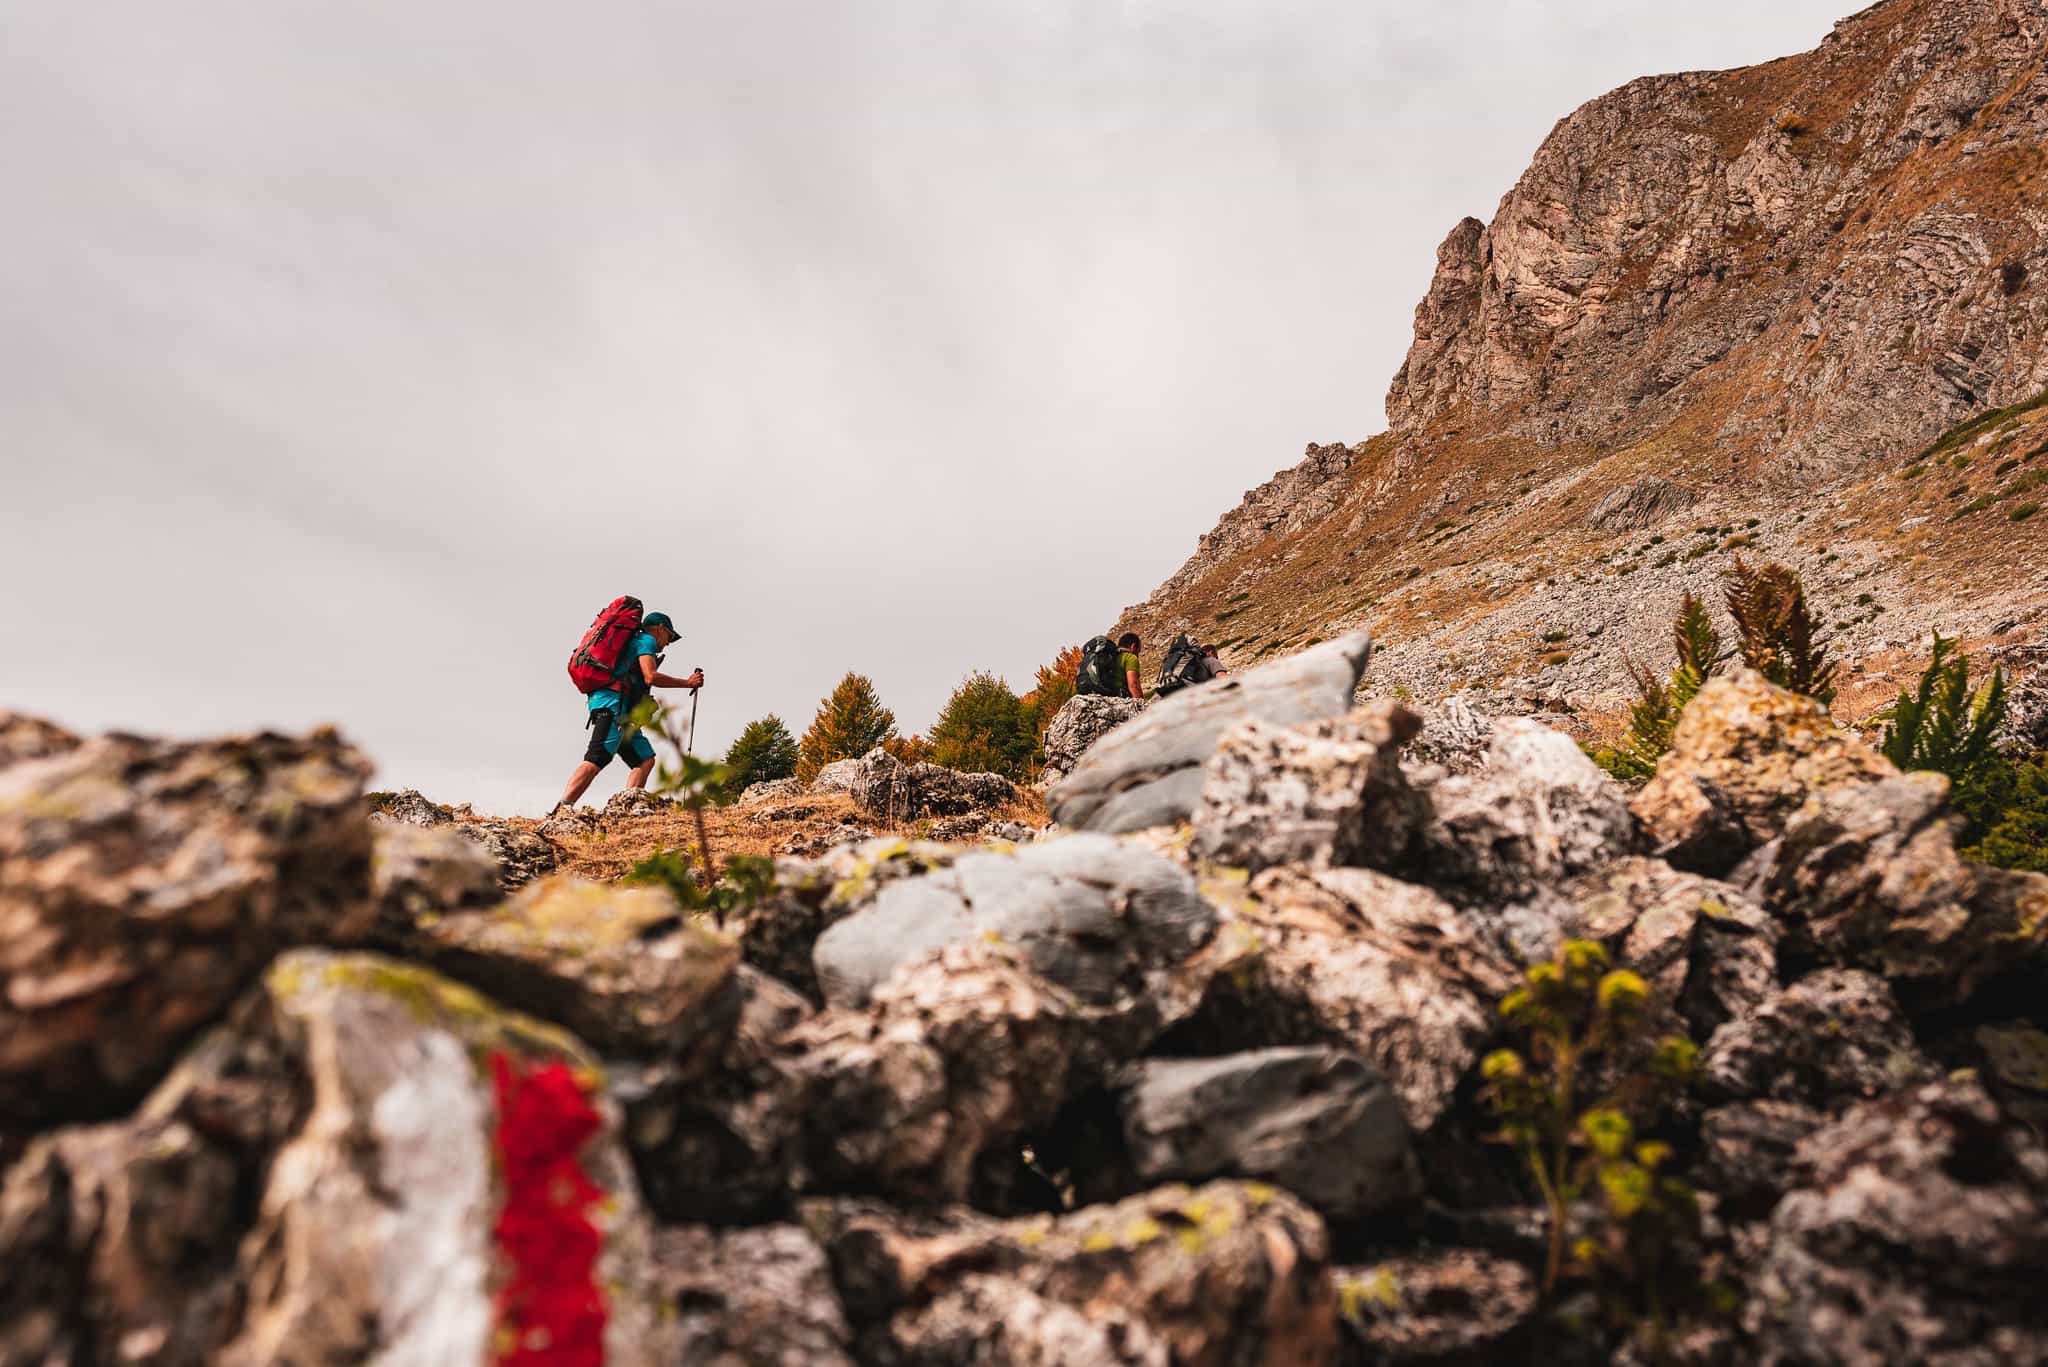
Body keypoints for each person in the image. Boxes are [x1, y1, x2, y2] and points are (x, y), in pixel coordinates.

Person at [556, 610, 703, 808]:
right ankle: (563, 808)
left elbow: (636, 679)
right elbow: (650, 676)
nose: (668, 643)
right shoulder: (646, 640)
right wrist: (687, 683)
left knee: (645, 759)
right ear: (660, 629)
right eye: (669, 636)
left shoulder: (635, 642)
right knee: (598, 756)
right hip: (612, 704)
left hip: (618, 708)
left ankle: (628, 806)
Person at [1117, 632, 1144, 701]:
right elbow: (1133, 685)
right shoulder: (1130, 657)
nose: (1138, 655)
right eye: (1138, 651)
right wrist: (1142, 704)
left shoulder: (1113, 656)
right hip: (1119, 698)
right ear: (1133, 646)